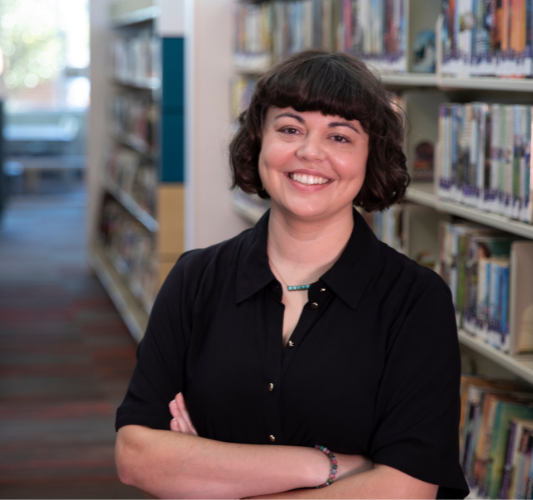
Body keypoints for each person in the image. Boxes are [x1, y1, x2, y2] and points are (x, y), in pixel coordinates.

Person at [114, 50, 469, 499]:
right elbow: (136, 456)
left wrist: (208, 472)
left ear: (370, 159)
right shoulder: (195, 278)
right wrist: (331, 466)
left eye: (340, 137)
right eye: (289, 129)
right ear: (257, 141)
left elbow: (405, 490)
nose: (309, 151)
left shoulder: (415, 300)